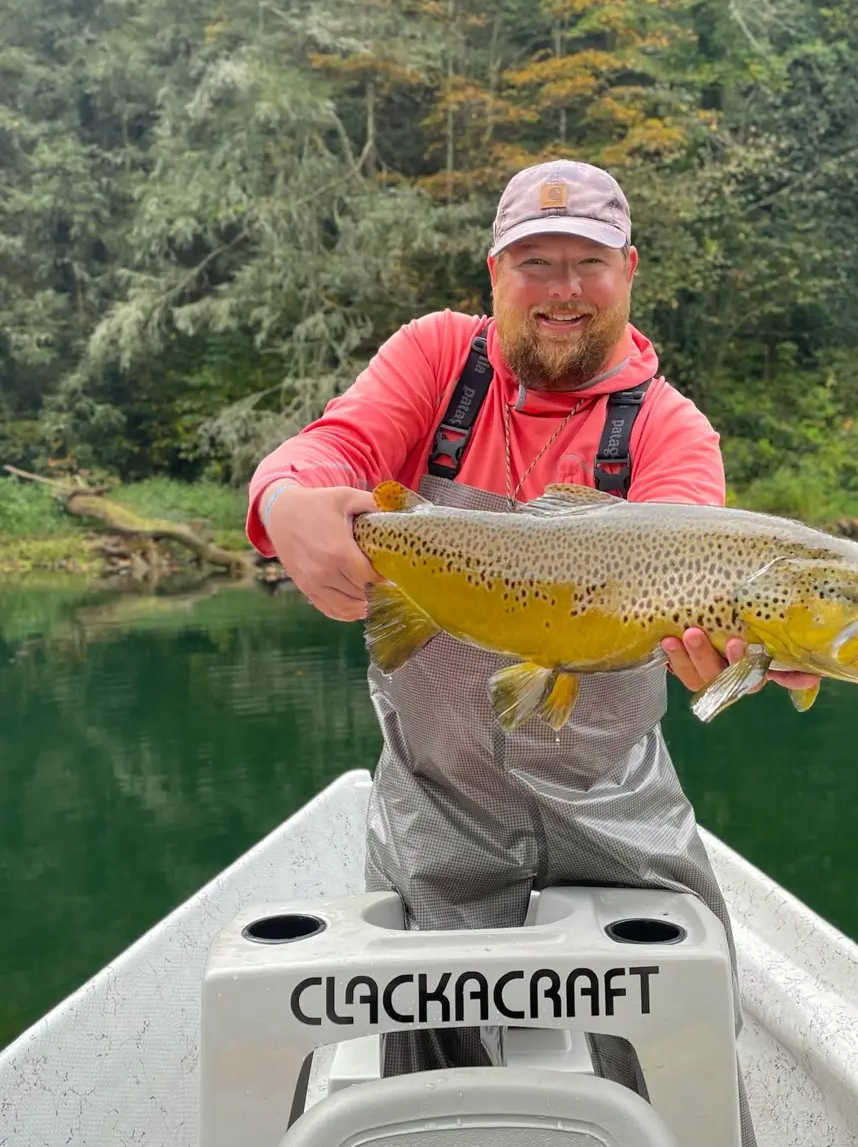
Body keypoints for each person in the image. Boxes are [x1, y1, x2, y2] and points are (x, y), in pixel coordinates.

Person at [246, 159, 817, 1147]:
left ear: (628, 271)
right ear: (495, 274)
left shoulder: (672, 431)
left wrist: (753, 646)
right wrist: (286, 505)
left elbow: (701, 561)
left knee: (687, 1024)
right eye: (534, 263)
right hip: (438, 796)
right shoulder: (436, 360)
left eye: (586, 262)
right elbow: (321, 453)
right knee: (426, 1049)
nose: (562, 289)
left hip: (614, 798)